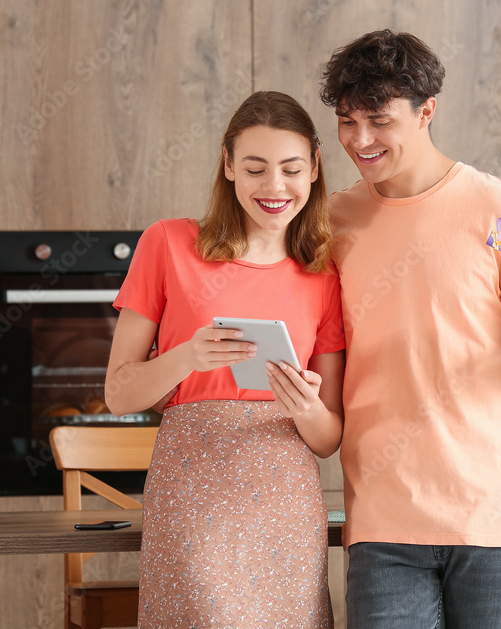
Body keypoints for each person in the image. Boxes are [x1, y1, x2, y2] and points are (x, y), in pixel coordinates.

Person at [321, 30, 501, 628]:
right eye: (347, 120)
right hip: (384, 522)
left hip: (495, 519)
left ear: (426, 110)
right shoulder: (334, 221)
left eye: (379, 121)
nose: (359, 140)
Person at [104, 91, 344, 627]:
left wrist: (306, 406)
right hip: (192, 491)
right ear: (229, 165)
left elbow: (329, 439)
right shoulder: (167, 244)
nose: (274, 187)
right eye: (255, 168)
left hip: (287, 499)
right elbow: (119, 394)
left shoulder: (324, 274)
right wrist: (188, 356)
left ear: (314, 168)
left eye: (290, 169)